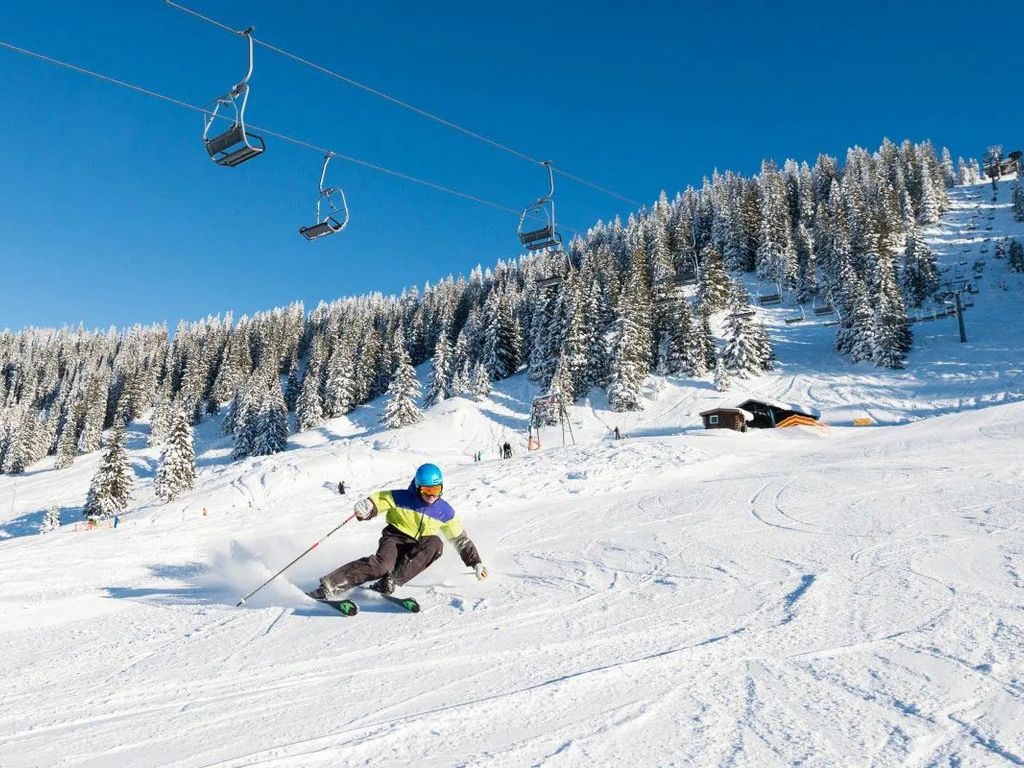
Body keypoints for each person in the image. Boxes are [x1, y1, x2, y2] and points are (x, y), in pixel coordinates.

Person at [310, 463, 488, 599]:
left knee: (436, 543)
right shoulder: (402, 497)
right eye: (427, 490)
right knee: (382, 565)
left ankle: (390, 581)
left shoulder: (444, 511)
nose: (432, 495)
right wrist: (367, 507)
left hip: (418, 546)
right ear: (418, 487)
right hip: (395, 538)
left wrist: (476, 563)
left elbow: (460, 540)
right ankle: (331, 585)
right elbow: (380, 500)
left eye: (436, 490)